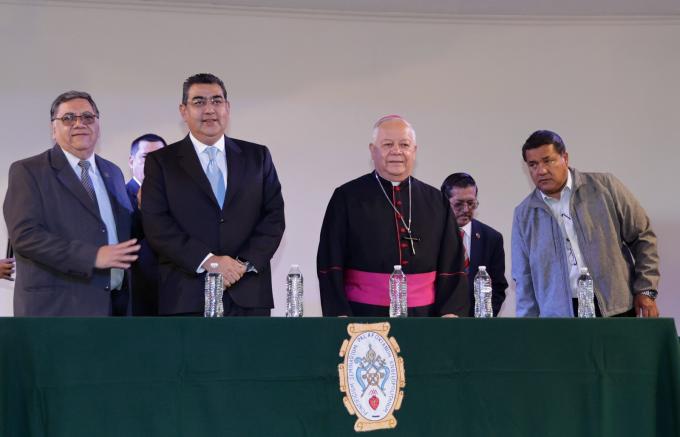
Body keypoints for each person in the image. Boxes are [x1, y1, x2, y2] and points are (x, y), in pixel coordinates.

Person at [141, 73, 285, 316]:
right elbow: (157, 225)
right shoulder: (161, 162)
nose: (209, 109)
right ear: (183, 111)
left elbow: (273, 217)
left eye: (217, 101)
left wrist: (240, 265)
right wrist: (209, 261)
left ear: (227, 108)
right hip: (186, 296)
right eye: (198, 102)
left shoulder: (257, 156)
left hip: (248, 295)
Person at [3, 91, 139, 316]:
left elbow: (123, 233)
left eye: (88, 117)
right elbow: (25, 236)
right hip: (58, 309)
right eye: (68, 118)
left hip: (114, 307)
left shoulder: (112, 172)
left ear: (98, 124)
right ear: (53, 129)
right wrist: (92, 256)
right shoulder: (28, 171)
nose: (79, 124)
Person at [317, 115, 469, 317]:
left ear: (414, 151)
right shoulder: (347, 197)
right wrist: (339, 314)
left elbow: (452, 262)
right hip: (363, 314)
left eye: (404, 144)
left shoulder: (436, 200)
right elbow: (330, 261)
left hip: (426, 317)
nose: (397, 151)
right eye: (388, 144)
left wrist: (450, 313)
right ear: (373, 151)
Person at [512, 130, 660, 318]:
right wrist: (528, 325)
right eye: (533, 165)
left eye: (548, 161)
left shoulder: (605, 187)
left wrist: (646, 290)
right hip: (559, 318)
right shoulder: (524, 214)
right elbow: (523, 276)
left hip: (616, 309)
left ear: (565, 158)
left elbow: (643, 237)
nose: (541, 170)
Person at [441, 172, 508, 316]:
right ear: (444, 202)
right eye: (458, 204)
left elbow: (498, 287)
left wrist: (482, 320)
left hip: (478, 324)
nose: (466, 210)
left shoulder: (492, 238)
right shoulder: (431, 235)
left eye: (471, 203)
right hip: (440, 322)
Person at [126, 133, 166, 315]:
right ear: (131, 161)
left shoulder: (177, 198)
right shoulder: (118, 196)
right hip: (134, 293)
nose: (153, 163)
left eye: (160, 157)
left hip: (172, 292)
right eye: (146, 158)